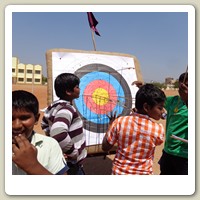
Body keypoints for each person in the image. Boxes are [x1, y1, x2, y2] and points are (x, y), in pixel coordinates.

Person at [102, 84, 166, 175]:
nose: (162, 111)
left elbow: (105, 147)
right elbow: (158, 141)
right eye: (160, 108)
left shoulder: (120, 122)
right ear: (146, 107)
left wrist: (110, 125)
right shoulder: (158, 129)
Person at [12, 90, 69, 175]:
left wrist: (33, 166)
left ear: (36, 119)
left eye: (24, 118)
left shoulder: (50, 145)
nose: (16, 126)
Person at [41, 73, 87, 175]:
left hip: (64, 159)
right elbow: (59, 133)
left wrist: (57, 146)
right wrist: (73, 153)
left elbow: (44, 124)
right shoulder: (66, 109)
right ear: (68, 91)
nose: (79, 89)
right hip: (72, 164)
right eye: (77, 87)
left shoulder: (54, 106)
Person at [159, 72, 188, 175]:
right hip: (168, 152)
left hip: (185, 156)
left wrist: (188, 100)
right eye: (184, 86)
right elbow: (156, 100)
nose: (186, 90)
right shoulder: (174, 100)